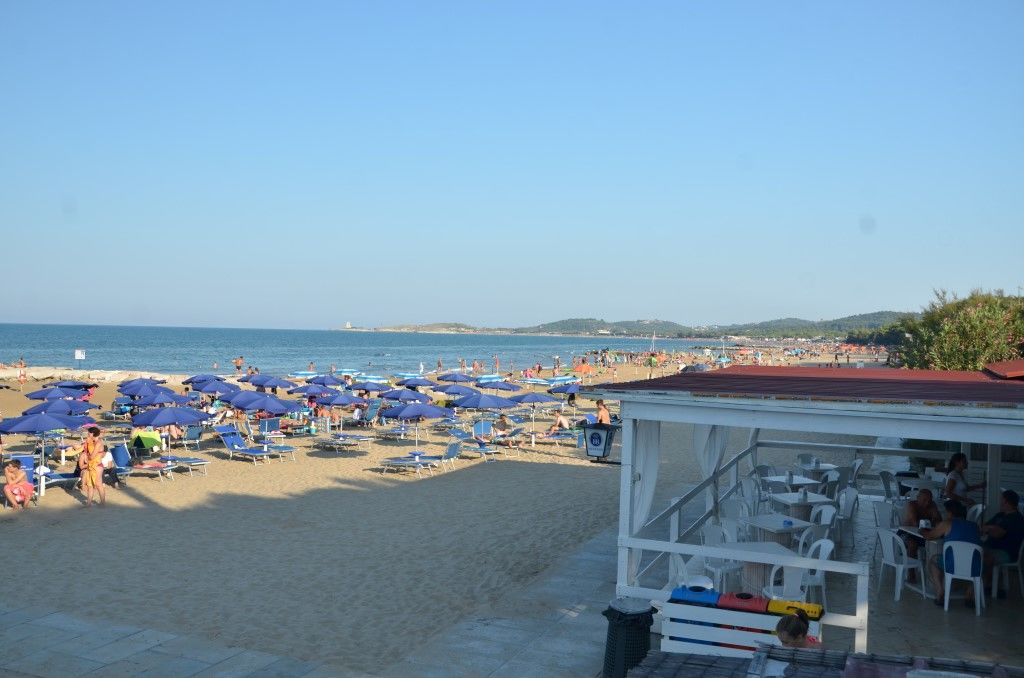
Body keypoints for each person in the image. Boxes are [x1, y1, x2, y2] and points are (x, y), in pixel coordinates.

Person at [923, 499, 980, 606]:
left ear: (949, 512)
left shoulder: (947, 523)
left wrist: (921, 530)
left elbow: (929, 536)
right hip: (974, 565)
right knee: (985, 566)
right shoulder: (975, 526)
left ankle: (940, 592)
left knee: (934, 560)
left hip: (953, 565)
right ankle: (969, 593)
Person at [981, 490, 1024, 596]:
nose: (1000, 502)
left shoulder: (1017, 519)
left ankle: (987, 585)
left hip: (1006, 552)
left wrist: (990, 529)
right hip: (990, 546)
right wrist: (992, 527)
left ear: (1007, 502)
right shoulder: (1000, 515)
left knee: (987, 558)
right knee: (973, 551)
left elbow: (998, 534)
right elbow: (983, 527)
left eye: (1002, 500)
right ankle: (976, 582)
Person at [902, 488, 943, 560]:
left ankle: (930, 567)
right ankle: (911, 570)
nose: (927, 503)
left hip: (921, 534)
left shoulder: (932, 505)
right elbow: (915, 523)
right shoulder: (912, 505)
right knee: (912, 545)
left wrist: (934, 520)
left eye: (929, 500)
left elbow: (939, 521)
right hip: (906, 533)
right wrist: (931, 522)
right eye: (924, 500)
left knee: (938, 542)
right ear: (918, 498)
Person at [76, 426, 107, 507]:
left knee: (98, 484)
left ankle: (103, 503)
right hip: (91, 465)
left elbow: (92, 456)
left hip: (97, 466)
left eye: (89, 433)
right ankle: (88, 503)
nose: (88, 434)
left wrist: (86, 456)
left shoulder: (98, 443)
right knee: (90, 485)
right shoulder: (92, 442)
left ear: (92, 433)